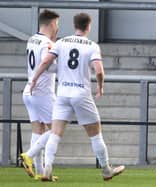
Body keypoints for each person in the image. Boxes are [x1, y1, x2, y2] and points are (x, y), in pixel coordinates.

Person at [29, 12, 125, 182]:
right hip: (81, 94)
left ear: (74, 25)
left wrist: (34, 79)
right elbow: (99, 70)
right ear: (89, 26)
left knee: (55, 133)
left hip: (63, 93)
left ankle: (47, 169)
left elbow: (45, 62)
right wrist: (100, 87)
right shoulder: (92, 46)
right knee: (95, 134)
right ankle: (106, 169)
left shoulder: (61, 42)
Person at [20, 9, 59, 180]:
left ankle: (40, 171)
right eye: (57, 23)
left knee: (38, 130)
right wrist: (65, 67)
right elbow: (47, 65)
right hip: (42, 92)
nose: (57, 27)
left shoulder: (32, 39)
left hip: (29, 90)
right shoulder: (46, 43)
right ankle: (28, 155)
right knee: (57, 128)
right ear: (51, 24)